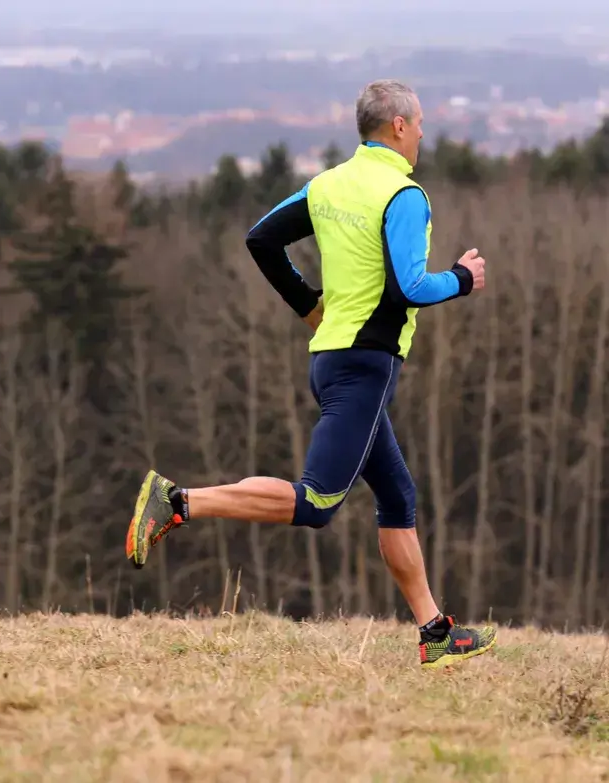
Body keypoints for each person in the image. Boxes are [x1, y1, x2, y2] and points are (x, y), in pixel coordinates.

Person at [125, 79, 496, 670]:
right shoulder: (404, 194)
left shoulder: (328, 185)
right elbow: (410, 287)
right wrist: (461, 279)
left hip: (329, 360)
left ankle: (435, 633)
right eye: (420, 122)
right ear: (399, 125)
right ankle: (178, 501)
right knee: (318, 502)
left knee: (398, 495)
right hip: (365, 367)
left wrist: (307, 306)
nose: (423, 132)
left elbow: (262, 239)